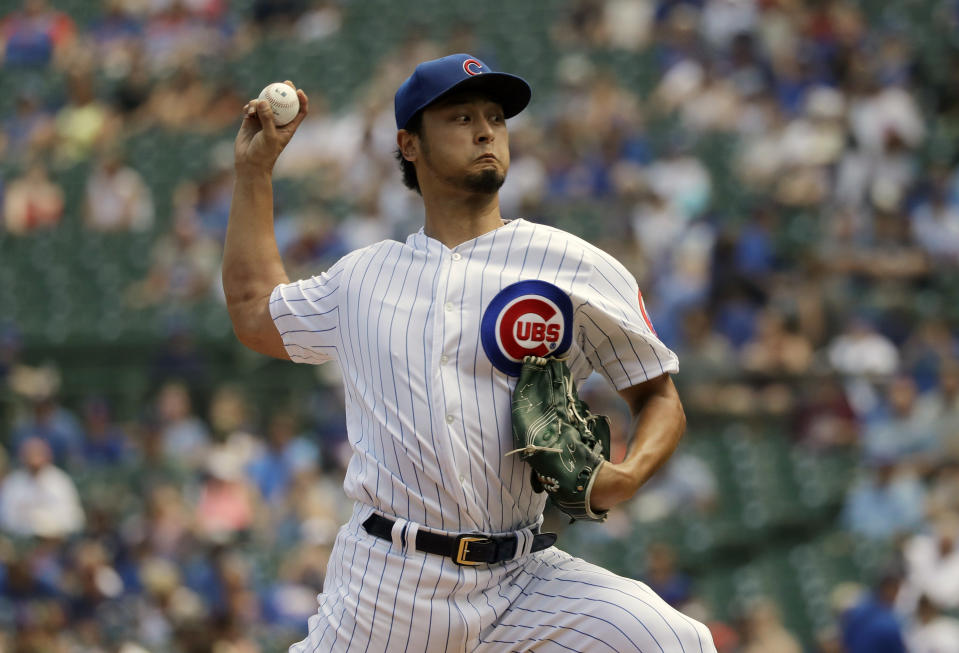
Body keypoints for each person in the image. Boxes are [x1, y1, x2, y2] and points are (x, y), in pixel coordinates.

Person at [223, 53, 716, 652]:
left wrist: (628, 475)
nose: (486, 130)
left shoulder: (573, 265)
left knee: (674, 642)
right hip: (387, 585)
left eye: (495, 117)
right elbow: (255, 311)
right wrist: (254, 173)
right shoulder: (361, 278)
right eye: (460, 118)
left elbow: (657, 392)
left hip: (523, 579)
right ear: (410, 144)